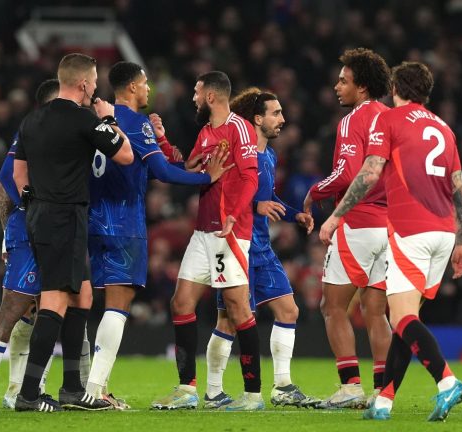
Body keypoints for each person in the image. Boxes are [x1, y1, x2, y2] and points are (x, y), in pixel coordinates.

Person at [318, 61, 462, 421]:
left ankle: (447, 382)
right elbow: (460, 189)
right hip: (444, 232)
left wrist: (337, 215)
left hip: (410, 230)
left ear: (395, 89)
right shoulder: (444, 127)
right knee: (406, 319)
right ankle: (383, 401)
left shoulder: (389, 119)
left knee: (401, 318)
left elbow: (370, 172)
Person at [85, 61, 231, 409]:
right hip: (125, 224)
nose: (149, 88)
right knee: (118, 307)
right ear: (132, 87)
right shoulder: (135, 122)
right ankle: (93, 390)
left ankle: (98, 387)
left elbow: (142, 170)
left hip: (94, 222)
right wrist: (205, 178)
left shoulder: (100, 122)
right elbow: (163, 172)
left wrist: (181, 164)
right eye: (145, 83)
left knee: (104, 305)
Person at [12, 53, 134, 412]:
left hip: (43, 215)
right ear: (83, 84)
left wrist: (36, 203)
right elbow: (125, 155)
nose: (95, 87)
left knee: (83, 296)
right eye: (94, 81)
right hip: (64, 217)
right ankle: (28, 394)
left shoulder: (32, 120)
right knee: (55, 300)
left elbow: (19, 174)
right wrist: (109, 118)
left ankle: (71, 389)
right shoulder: (84, 119)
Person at [201, 87, 319, 408]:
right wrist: (256, 207)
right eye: (275, 113)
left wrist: (295, 215)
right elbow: (220, 196)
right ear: (257, 118)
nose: (282, 119)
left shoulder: (269, 156)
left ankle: (282, 386)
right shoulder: (235, 152)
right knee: (228, 321)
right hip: (235, 245)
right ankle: (213, 392)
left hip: (262, 247)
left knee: (289, 310)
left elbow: (269, 199)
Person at [151, 71, 260, 411]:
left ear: (211, 96)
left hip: (229, 232)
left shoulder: (239, 128)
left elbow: (250, 178)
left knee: (238, 308)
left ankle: (253, 394)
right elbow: (190, 168)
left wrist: (234, 215)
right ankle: (187, 389)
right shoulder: (206, 133)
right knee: (181, 303)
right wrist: (162, 140)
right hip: (203, 231)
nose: (194, 98)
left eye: (197, 92)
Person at [302, 48, 393, 408]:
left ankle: (350, 386)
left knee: (332, 306)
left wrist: (315, 191)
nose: (337, 86)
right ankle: (382, 391)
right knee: (376, 311)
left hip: (357, 222)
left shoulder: (353, 120)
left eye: (344, 81)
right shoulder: (389, 118)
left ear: (362, 87)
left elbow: (347, 173)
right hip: (389, 227)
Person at [0, 79, 61, 411]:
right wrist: (9, 232)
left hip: (54, 231)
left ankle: (24, 390)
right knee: (13, 308)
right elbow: (4, 181)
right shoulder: (32, 132)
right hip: (30, 231)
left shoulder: (58, 133)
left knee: (42, 314)